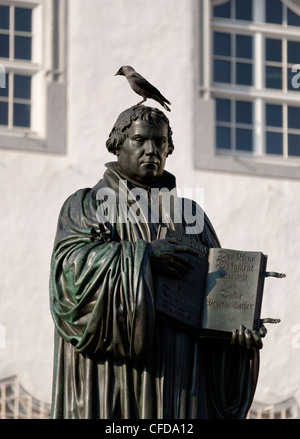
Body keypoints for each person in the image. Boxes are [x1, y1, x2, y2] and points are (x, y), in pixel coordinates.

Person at [49, 105, 264, 419]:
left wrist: (235, 341)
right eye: (140, 141)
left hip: (180, 377)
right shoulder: (87, 205)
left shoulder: (192, 219)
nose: (152, 150)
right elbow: (69, 280)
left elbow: (215, 305)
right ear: (117, 144)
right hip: (112, 373)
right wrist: (145, 257)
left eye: (160, 142)